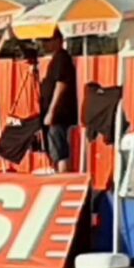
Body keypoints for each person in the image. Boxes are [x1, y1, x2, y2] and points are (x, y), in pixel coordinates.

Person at [38, 34, 80, 173]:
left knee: (58, 148)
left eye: (47, 40)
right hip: (54, 112)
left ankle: (63, 178)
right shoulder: (56, 59)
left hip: (59, 114)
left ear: (58, 41)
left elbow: (61, 84)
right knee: (54, 147)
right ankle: (58, 173)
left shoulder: (62, 59)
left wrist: (51, 111)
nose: (44, 44)